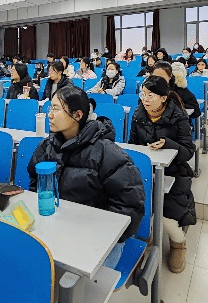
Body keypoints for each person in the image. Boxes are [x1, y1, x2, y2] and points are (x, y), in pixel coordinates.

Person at [28, 86, 145, 265]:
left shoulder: (106, 153)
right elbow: (35, 182)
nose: (49, 115)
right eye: (50, 108)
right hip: (59, 228)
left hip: (99, 238)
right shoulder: (47, 146)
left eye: (56, 109)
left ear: (77, 115)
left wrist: (96, 233)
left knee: (71, 279)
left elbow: (131, 204)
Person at [129, 76, 196, 274]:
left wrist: (168, 144)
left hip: (175, 171)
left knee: (167, 212)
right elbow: (133, 144)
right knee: (135, 204)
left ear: (164, 98)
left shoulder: (178, 116)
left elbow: (188, 151)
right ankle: (146, 236)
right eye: (143, 94)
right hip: (147, 170)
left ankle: (178, 243)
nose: (145, 99)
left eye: (150, 95)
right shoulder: (138, 113)